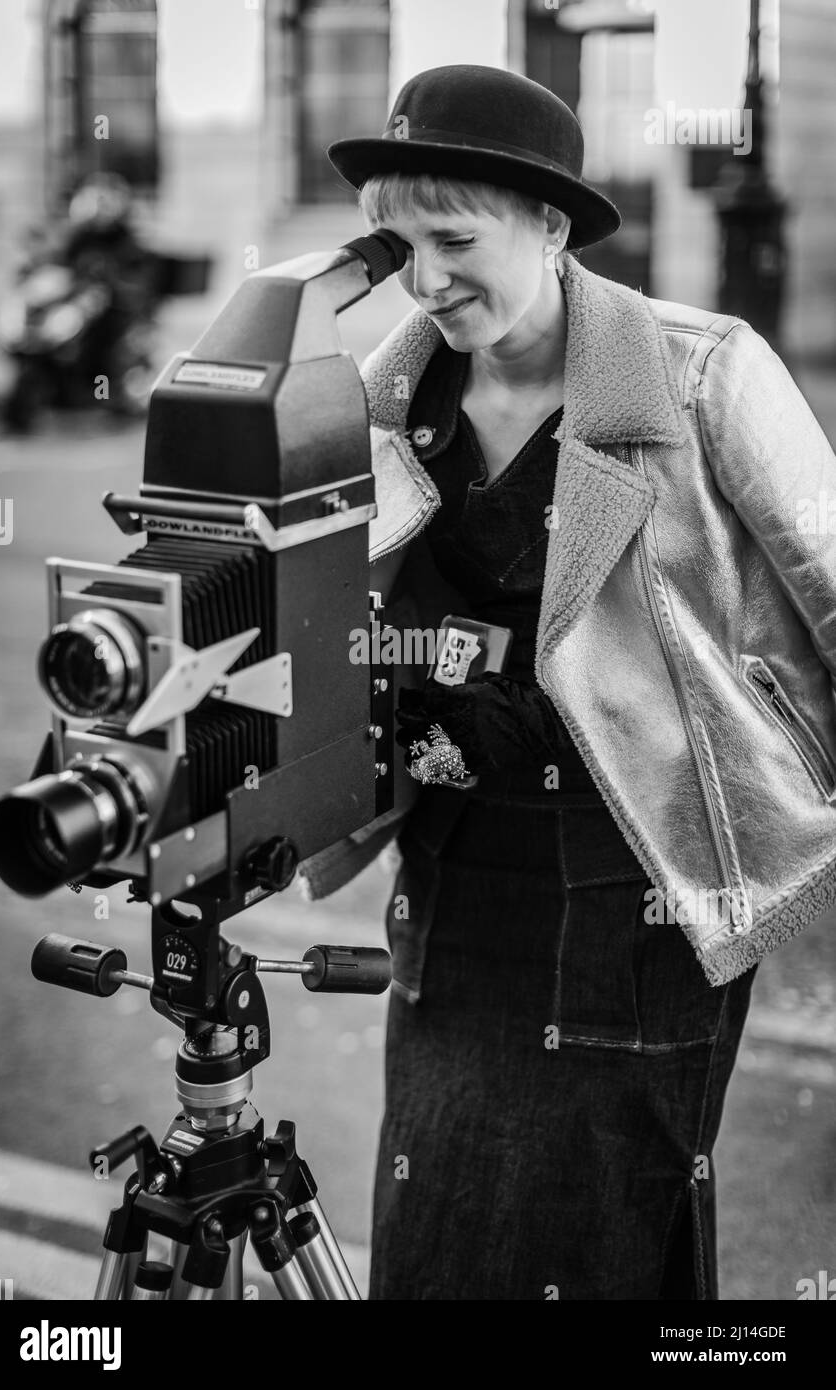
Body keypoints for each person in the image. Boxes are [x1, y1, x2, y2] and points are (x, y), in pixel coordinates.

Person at [296, 64, 836, 1299]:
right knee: (439, 1243)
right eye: (398, 245)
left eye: (453, 238)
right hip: (452, 879)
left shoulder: (703, 373)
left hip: (638, 881)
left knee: (603, 1239)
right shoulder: (375, 400)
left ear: (549, 224)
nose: (426, 281)